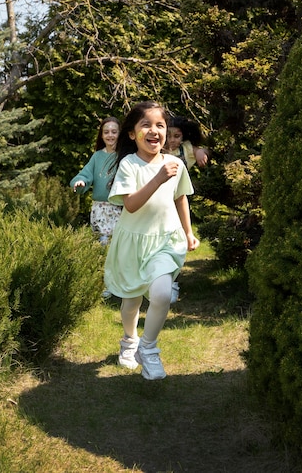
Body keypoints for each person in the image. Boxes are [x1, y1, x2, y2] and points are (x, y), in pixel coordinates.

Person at [104, 101, 199, 380]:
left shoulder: (175, 164)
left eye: (160, 125)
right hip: (133, 243)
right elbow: (131, 204)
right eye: (146, 124)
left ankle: (148, 347)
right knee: (131, 302)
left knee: (161, 294)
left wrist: (189, 232)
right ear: (133, 134)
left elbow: (180, 197)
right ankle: (129, 341)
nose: (154, 130)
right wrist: (157, 179)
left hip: (165, 242)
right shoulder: (128, 164)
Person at [164, 115, 209, 302]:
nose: (171, 140)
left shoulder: (186, 150)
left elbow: (203, 149)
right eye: (168, 135)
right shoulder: (155, 150)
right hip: (157, 201)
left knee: (176, 241)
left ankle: (172, 282)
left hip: (178, 200)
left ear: (183, 137)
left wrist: (201, 152)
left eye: (176, 136)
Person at [70, 117, 122, 246]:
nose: (110, 135)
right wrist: (80, 181)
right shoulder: (97, 156)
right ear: (101, 135)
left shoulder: (126, 156)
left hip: (121, 209)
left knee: (119, 245)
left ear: (120, 134)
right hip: (101, 210)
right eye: (106, 132)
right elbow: (85, 174)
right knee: (103, 245)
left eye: (114, 132)